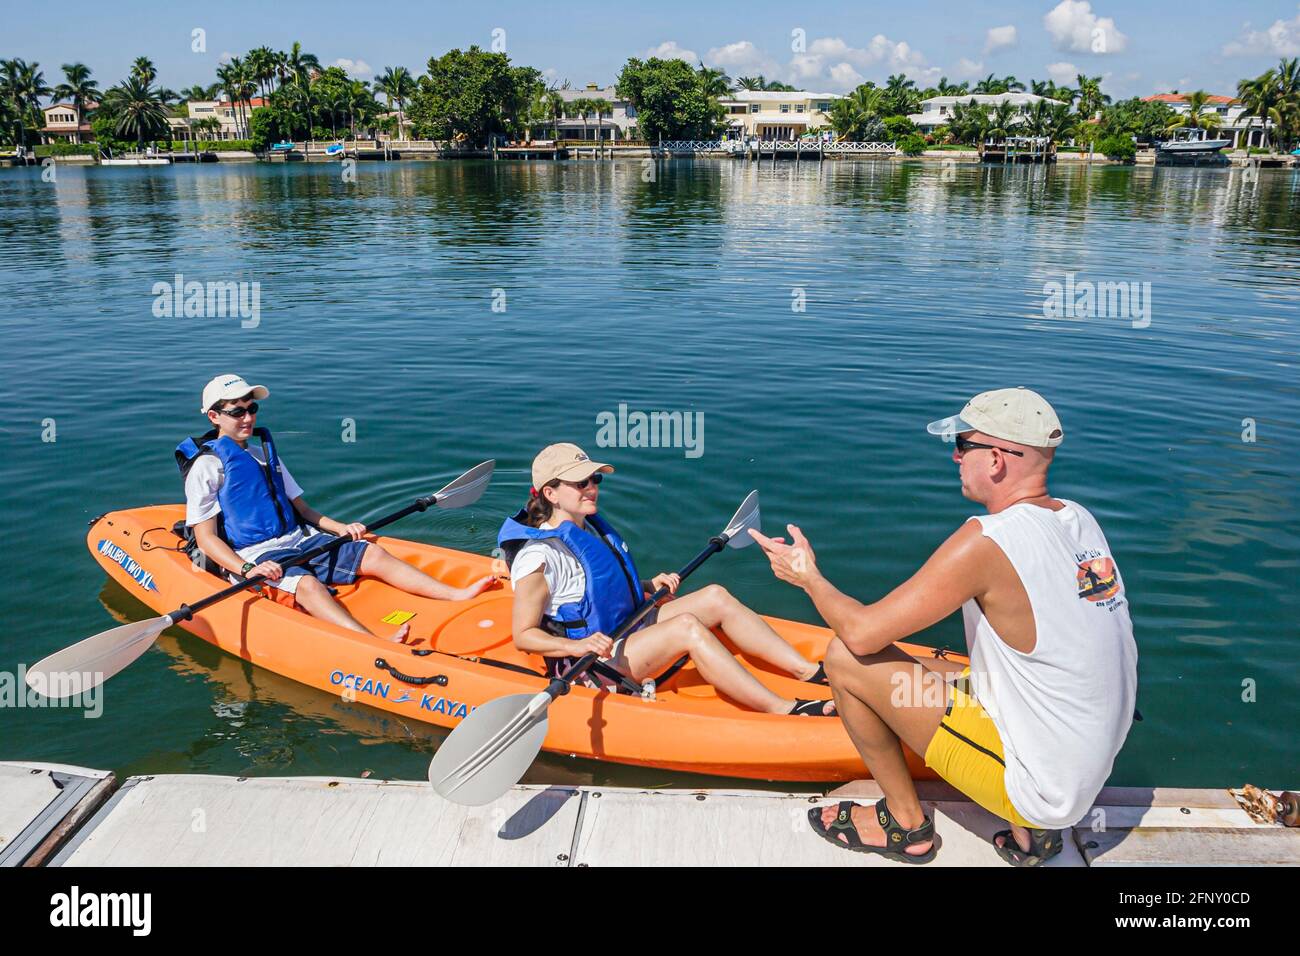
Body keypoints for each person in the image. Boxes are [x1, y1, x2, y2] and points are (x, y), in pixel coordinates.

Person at [752, 388, 1137, 864]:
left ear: (995, 459)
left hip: (1045, 792)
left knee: (845, 659)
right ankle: (1031, 837)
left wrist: (807, 577)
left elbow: (862, 633)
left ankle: (905, 827)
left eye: (962, 444)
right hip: (1089, 757)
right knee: (936, 667)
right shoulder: (1079, 520)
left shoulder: (988, 539)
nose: (955, 456)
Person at [498, 443, 835, 716]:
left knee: (715, 595)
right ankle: (781, 708)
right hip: (596, 661)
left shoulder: (589, 529)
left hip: (629, 627)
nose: (591, 489)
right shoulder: (538, 558)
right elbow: (524, 635)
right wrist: (577, 646)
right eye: (580, 482)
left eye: (594, 480)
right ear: (551, 493)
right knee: (687, 625)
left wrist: (645, 585)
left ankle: (808, 671)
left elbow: (595, 588)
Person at [177, 375, 492, 642]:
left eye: (252, 409)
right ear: (214, 416)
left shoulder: (263, 454)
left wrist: (342, 528)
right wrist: (246, 570)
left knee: (372, 553)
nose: (247, 418)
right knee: (309, 586)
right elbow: (206, 539)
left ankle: (454, 594)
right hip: (255, 556)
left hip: (301, 539)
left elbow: (305, 510)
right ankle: (370, 641)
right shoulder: (207, 466)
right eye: (237, 412)